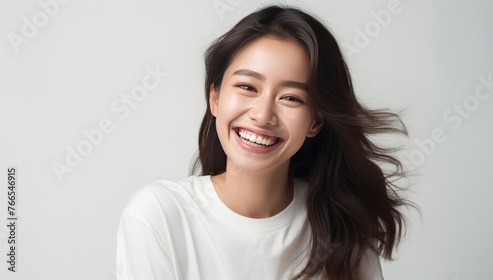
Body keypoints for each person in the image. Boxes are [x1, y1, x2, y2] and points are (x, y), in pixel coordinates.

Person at [116, 5, 410, 280]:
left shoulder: (341, 228)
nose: (262, 115)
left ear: (315, 121)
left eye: (291, 98)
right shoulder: (159, 215)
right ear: (215, 98)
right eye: (247, 87)